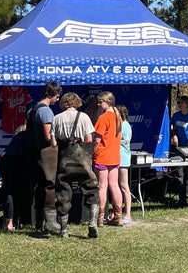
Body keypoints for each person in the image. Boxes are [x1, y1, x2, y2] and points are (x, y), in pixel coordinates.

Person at [52, 93, 99, 238]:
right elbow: (89, 139)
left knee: (63, 192)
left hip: (64, 161)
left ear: (64, 103)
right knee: (92, 189)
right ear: (77, 102)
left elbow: (53, 143)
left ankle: (64, 230)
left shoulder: (56, 118)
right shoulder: (84, 117)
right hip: (82, 160)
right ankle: (93, 222)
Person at [27, 82, 61, 235]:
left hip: (36, 152)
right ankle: (51, 222)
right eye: (57, 96)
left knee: (40, 186)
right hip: (47, 153)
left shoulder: (34, 108)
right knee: (50, 186)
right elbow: (48, 136)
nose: (57, 100)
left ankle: (39, 221)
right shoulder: (46, 111)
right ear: (51, 94)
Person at [92, 91, 124, 226]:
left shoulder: (103, 118)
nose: (98, 104)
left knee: (102, 186)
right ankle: (118, 216)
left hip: (102, 156)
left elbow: (96, 140)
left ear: (108, 102)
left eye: (101, 102)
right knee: (115, 186)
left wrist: (91, 153)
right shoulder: (118, 117)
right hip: (114, 156)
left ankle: (99, 217)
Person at [116, 104, 133, 225]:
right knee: (116, 186)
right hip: (117, 157)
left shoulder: (124, 125)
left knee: (124, 186)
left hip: (123, 158)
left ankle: (128, 214)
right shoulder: (122, 124)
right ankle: (117, 212)